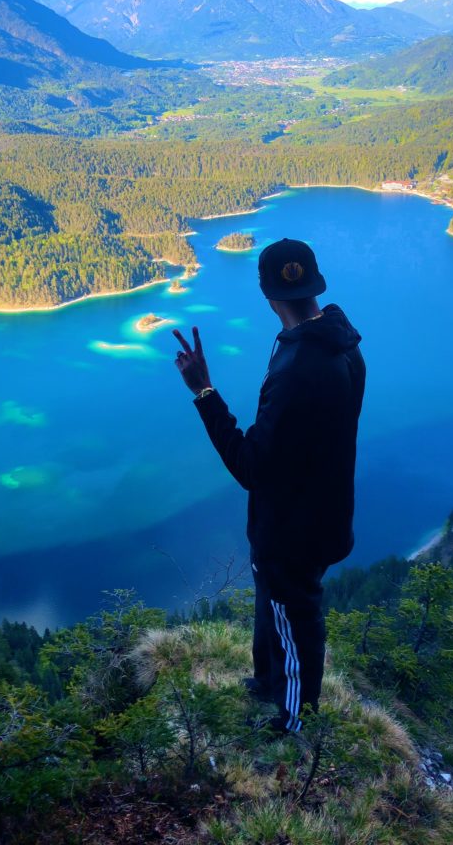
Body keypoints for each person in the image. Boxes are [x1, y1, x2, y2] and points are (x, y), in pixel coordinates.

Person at [173, 237, 365, 733]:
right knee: (274, 605)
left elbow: (250, 468)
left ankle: (296, 721)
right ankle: (266, 682)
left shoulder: (295, 368)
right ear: (316, 285)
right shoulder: (345, 349)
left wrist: (204, 392)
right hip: (325, 514)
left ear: (267, 295)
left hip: (290, 530)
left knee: (294, 614)